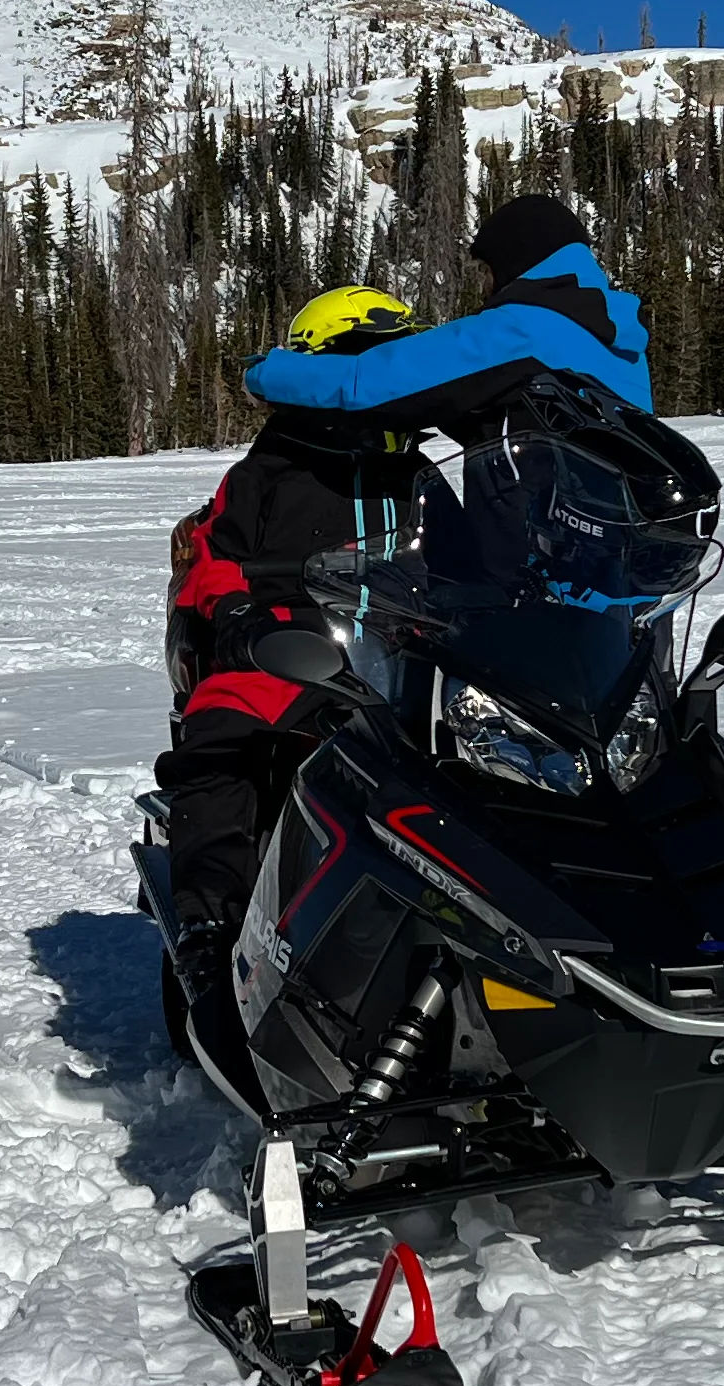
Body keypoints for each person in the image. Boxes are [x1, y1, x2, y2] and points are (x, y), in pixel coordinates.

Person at [154, 198, 655, 1073]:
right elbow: (217, 559)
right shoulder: (271, 472)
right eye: (372, 361)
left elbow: (465, 558)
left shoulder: (440, 447)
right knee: (227, 739)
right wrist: (239, 615)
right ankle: (206, 922)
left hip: (401, 663)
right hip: (286, 647)